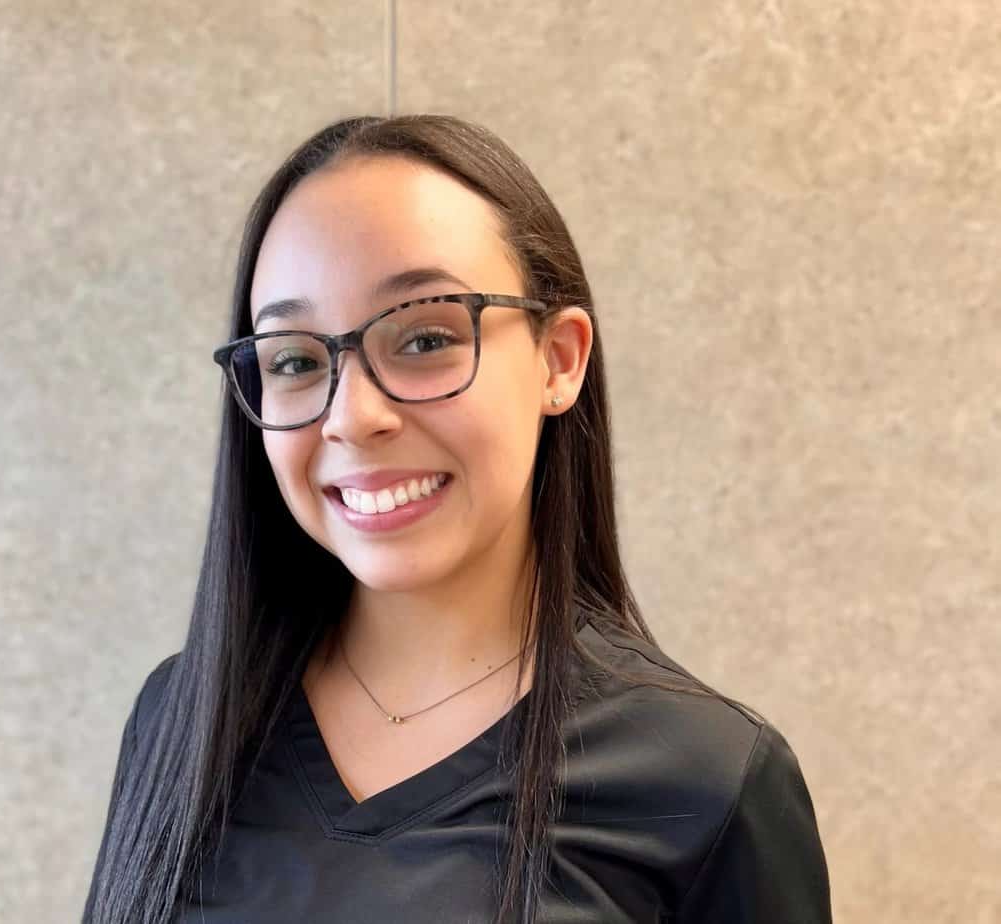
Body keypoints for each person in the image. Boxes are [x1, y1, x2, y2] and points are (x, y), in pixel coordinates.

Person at [82, 114, 832, 924]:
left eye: (425, 337)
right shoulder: (182, 720)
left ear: (559, 360)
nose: (351, 416)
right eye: (295, 360)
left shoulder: (705, 778)